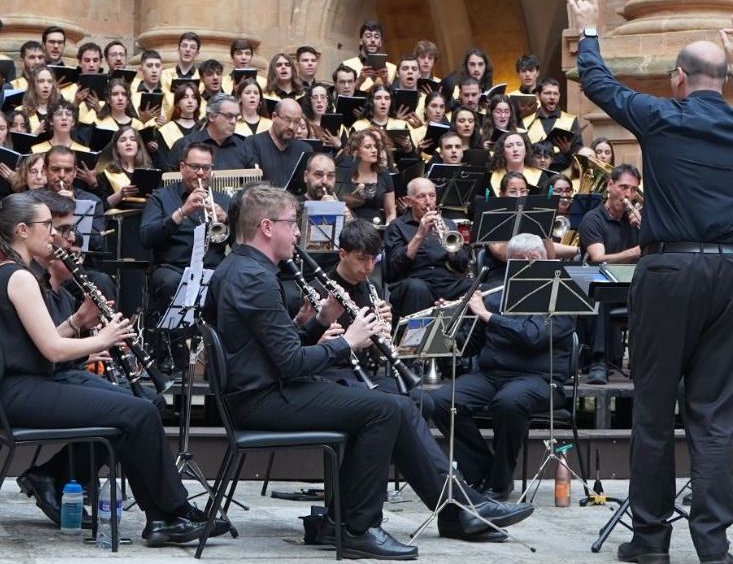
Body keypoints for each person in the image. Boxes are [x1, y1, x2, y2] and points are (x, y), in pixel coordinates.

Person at [572, 0, 733, 564]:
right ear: (722, 80)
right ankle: (714, 550)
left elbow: (600, 85)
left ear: (679, 78)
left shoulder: (663, 117)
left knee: (655, 411)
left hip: (669, 270)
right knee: (714, 417)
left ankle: (651, 543)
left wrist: (589, 30)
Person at [0, 190, 224, 546]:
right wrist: (104, 338)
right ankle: (171, 513)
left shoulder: (10, 273)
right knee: (137, 413)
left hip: (20, 387)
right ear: (23, 231)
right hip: (21, 392)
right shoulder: (20, 277)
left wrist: (77, 322)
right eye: (46, 225)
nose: (53, 234)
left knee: (140, 407)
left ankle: (163, 516)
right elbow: (52, 350)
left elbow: (38, 341)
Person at [206, 184, 416, 559]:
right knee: (385, 409)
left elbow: (276, 350)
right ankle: (357, 528)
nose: (297, 233)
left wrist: (319, 321)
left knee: (384, 404)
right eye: (292, 223)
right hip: (262, 399)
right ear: (267, 227)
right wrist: (347, 342)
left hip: (259, 390)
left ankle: (337, 522)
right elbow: (291, 363)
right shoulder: (256, 279)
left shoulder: (237, 267)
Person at [310, 220, 534, 540]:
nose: (368, 267)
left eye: (373, 259)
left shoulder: (369, 286)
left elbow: (372, 351)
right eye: (361, 259)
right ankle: (458, 508)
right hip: (331, 380)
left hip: (359, 376)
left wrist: (383, 333)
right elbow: (313, 348)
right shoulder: (322, 289)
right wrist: (343, 338)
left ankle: (456, 508)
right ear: (342, 254)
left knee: (422, 400)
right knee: (399, 405)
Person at [427, 232, 574, 502]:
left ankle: (499, 483)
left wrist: (487, 315)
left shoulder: (560, 297)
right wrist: (453, 319)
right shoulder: (495, 296)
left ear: (533, 259)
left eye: (514, 263)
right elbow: (471, 346)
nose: (510, 271)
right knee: (441, 401)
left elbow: (533, 336)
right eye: (511, 263)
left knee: (509, 401)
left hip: (540, 380)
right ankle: (486, 472)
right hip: (491, 376)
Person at [140, 143, 232, 366]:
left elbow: (243, 243)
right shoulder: (161, 197)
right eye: (194, 167)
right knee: (172, 283)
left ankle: (220, 356)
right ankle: (178, 354)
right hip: (172, 269)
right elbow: (146, 237)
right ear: (182, 167)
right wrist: (181, 213)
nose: (200, 173)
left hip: (212, 270)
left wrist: (229, 220)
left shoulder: (223, 200)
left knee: (234, 283)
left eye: (206, 168)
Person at [576, 163, 643, 384]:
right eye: (623, 187)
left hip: (630, 285)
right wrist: (635, 251)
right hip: (600, 286)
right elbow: (598, 258)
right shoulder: (593, 219)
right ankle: (598, 361)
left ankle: (645, 361)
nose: (628, 194)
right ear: (610, 185)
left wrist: (645, 231)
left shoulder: (635, 221)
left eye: (633, 189)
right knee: (600, 290)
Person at [384, 177, 472, 317]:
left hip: (444, 282)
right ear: (408, 201)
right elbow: (394, 268)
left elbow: (462, 266)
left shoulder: (448, 224)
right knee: (417, 288)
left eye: (432, 196)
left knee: (472, 288)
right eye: (421, 196)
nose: (428, 201)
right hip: (412, 281)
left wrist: (449, 247)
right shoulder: (396, 226)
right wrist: (420, 235)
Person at [242, 98, 312, 187]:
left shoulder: (305, 150)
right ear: (274, 117)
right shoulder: (253, 143)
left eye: (296, 122)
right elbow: (251, 186)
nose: (291, 126)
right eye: (287, 120)